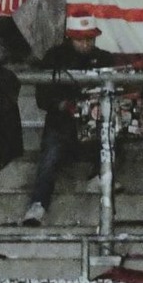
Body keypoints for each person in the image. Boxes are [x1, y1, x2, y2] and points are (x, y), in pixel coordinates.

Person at [23, 16, 122, 226]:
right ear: (70, 37)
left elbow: (117, 92)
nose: (86, 44)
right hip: (63, 122)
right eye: (81, 39)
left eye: (90, 39)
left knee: (117, 128)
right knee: (50, 153)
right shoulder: (54, 58)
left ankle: (101, 176)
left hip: (96, 121)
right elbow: (43, 98)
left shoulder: (104, 58)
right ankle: (38, 204)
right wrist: (66, 106)